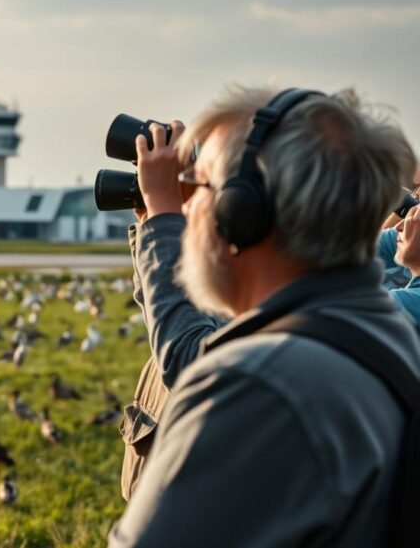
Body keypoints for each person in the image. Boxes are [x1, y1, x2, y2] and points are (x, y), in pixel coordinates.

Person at [109, 86, 420, 547]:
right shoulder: (384, 332)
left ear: (245, 215)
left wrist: (161, 222)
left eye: (201, 186)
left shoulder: (256, 384)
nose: (186, 205)